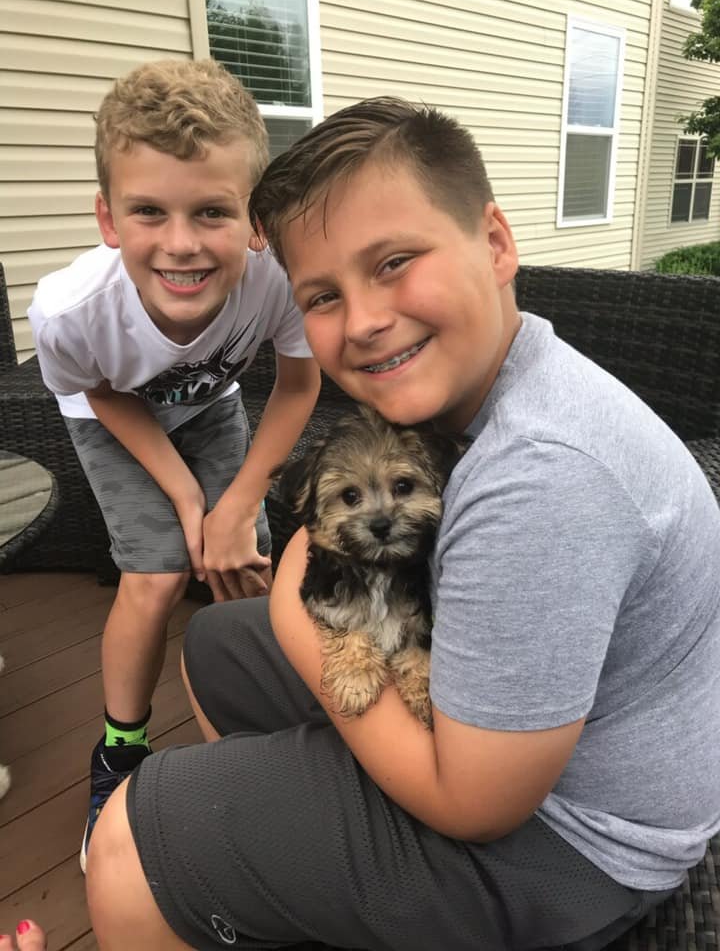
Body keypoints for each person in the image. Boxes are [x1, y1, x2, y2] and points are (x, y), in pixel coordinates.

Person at [85, 97, 720, 951]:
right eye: (322, 295)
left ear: (495, 242)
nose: (364, 319)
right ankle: (291, 890)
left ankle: (234, 870)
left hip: (574, 844)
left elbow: (478, 806)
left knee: (130, 837)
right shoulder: (496, 384)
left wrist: (294, 612)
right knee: (216, 649)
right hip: (516, 745)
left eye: (393, 262)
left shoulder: (543, 476)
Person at [26, 59, 321, 872]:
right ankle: (120, 748)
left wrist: (236, 503)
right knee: (157, 573)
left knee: (244, 555)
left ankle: (270, 729)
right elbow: (99, 395)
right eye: (149, 211)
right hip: (113, 413)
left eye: (212, 211)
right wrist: (192, 498)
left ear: (256, 219)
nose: (182, 243)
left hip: (215, 406)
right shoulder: (68, 311)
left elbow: (299, 383)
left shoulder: (277, 280)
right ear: (108, 217)